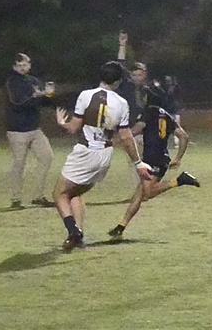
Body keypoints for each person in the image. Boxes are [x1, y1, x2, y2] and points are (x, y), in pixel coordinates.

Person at [53, 61, 155, 252]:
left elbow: (74, 127)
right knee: (75, 192)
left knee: (59, 194)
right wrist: (138, 163)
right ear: (117, 82)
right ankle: (79, 234)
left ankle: (73, 231)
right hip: (105, 155)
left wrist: (61, 123)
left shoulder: (86, 95)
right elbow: (125, 136)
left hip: (86, 151)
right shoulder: (121, 103)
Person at [107, 88, 200, 239]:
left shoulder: (149, 112)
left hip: (153, 159)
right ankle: (120, 227)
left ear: (147, 100)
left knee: (148, 193)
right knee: (139, 194)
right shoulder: (167, 115)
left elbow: (136, 130)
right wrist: (178, 158)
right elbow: (184, 136)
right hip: (159, 158)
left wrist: (115, 141)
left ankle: (180, 180)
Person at [5, 53, 55, 209]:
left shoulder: (34, 81)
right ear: (14, 67)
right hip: (17, 129)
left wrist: (48, 95)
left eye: (25, 64)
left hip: (34, 128)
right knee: (19, 163)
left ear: (30, 65)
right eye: (19, 65)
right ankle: (16, 198)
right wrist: (36, 95)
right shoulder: (12, 82)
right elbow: (17, 102)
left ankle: (38, 196)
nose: (23, 67)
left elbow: (44, 102)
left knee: (47, 157)